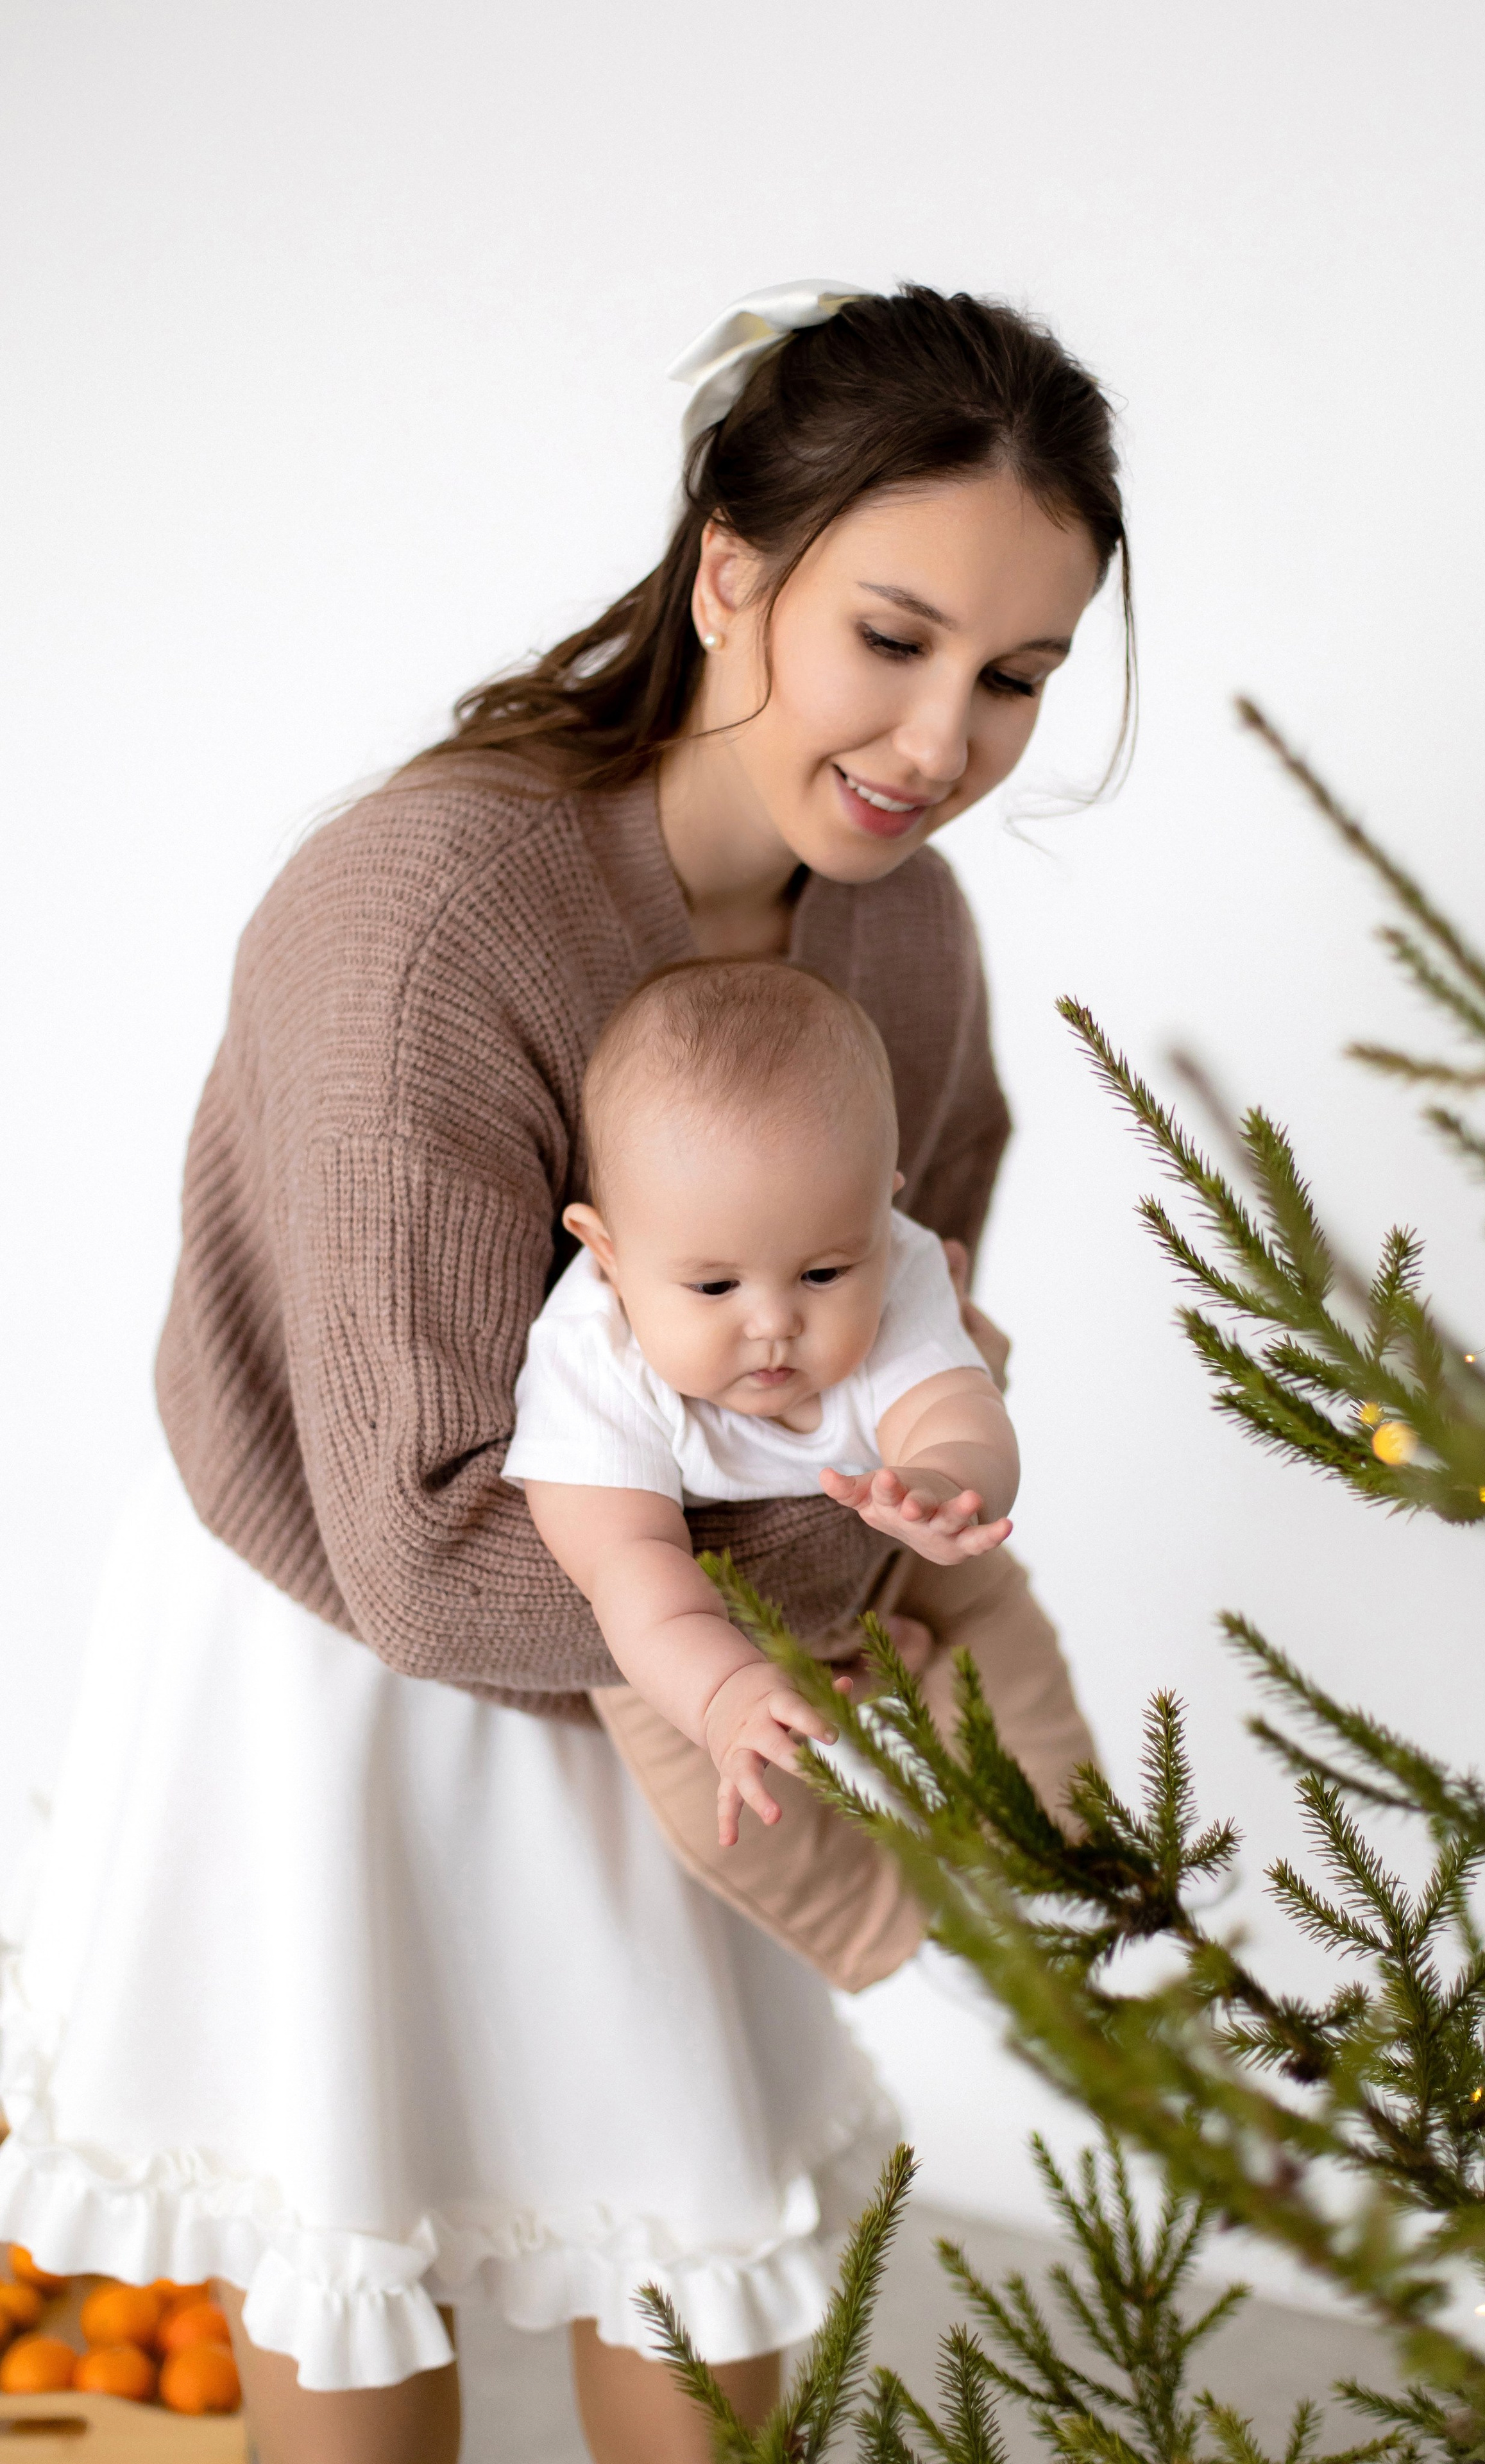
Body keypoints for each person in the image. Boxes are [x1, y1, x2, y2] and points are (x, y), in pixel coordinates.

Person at [0, 280, 1131, 2464]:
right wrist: (836, 1563)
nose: (942, 743)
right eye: (893, 640)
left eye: (1016, 677)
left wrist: (912, 1471)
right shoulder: (426, 918)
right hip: (352, 1656)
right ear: (730, 574)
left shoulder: (904, 925)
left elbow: (933, 1290)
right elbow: (424, 1552)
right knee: (368, 2247)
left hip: (699, 1663)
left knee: (689, 2226)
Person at [508, 957, 1023, 1848]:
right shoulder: (594, 1361)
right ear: (609, 1255)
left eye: (823, 1273)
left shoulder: (897, 1266)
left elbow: (959, 1410)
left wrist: (945, 1487)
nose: (776, 1323)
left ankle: (1112, 1880)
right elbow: (629, 1566)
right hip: (684, 1642)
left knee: (1014, 1667)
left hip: (909, 1552)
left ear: (881, 1213)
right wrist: (722, 1695)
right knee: (748, 1825)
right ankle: (890, 1921)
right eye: (715, 1287)